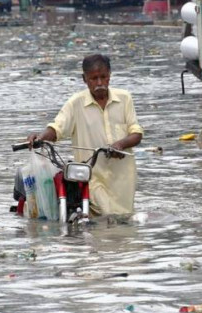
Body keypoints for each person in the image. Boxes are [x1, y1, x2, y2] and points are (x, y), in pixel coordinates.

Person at [27, 54, 143, 216]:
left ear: (110, 75)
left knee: (123, 221)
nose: (100, 83)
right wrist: (40, 137)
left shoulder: (125, 98)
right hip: (91, 176)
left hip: (123, 178)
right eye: (94, 79)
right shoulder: (76, 103)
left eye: (103, 77)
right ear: (84, 79)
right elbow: (56, 128)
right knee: (106, 215)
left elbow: (136, 133)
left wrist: (120, 144)